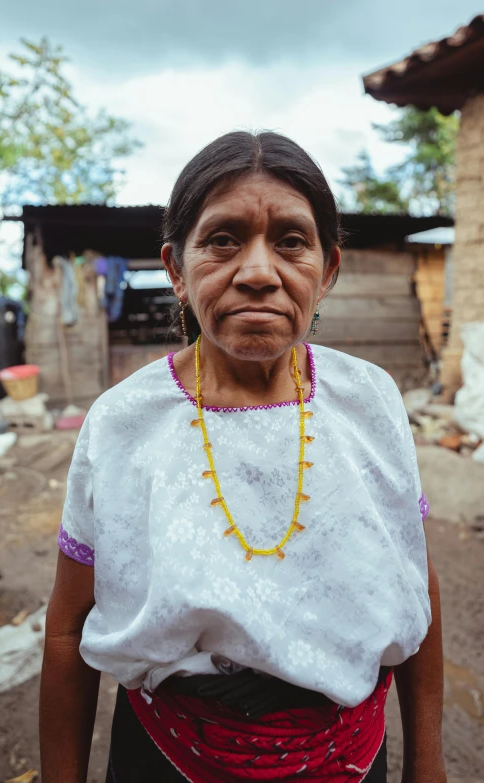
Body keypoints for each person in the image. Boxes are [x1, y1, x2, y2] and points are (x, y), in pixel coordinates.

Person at [40, 131, 446, 783]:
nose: (258, 271)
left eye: (291, 240)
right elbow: (66, 629)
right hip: (168, 756)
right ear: (176, 269)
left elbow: (412, 586)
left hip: (347, 756)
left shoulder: (370, 400)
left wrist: (429, 765)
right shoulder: (122, 421)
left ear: (329, 267)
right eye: (223, 238)